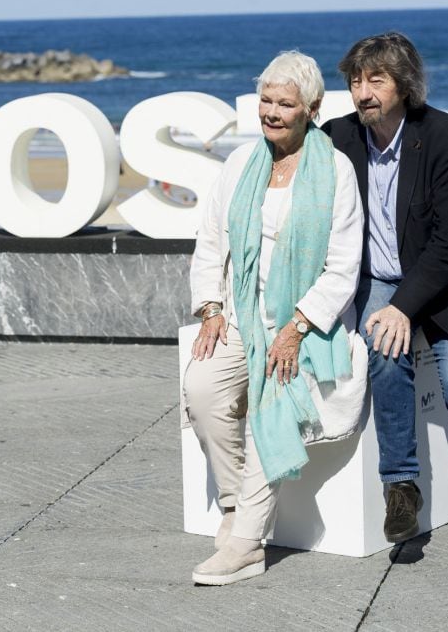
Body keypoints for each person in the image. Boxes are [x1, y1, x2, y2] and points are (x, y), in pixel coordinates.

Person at [322, 32, 448, 574]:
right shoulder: (338, 137)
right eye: (355, 80)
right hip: (379, 282)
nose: (362, 92)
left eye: (376, 80)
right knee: (385, 356)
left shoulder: (441, 136)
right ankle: (401, 488)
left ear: (404, 85)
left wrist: (402, 307)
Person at [185, 51, 367, 585]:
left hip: (304, 323)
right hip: (241, 311)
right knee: (202, 388)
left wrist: (298, 325)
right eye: (265, 99)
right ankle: (235, 506)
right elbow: (211, 239)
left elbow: (342, 265)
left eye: (284, 103)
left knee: (275, 408)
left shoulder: (334, 170)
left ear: (311, 109)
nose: (271, 111)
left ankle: (245, 546)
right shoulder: (241, 164)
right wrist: (212, 306)